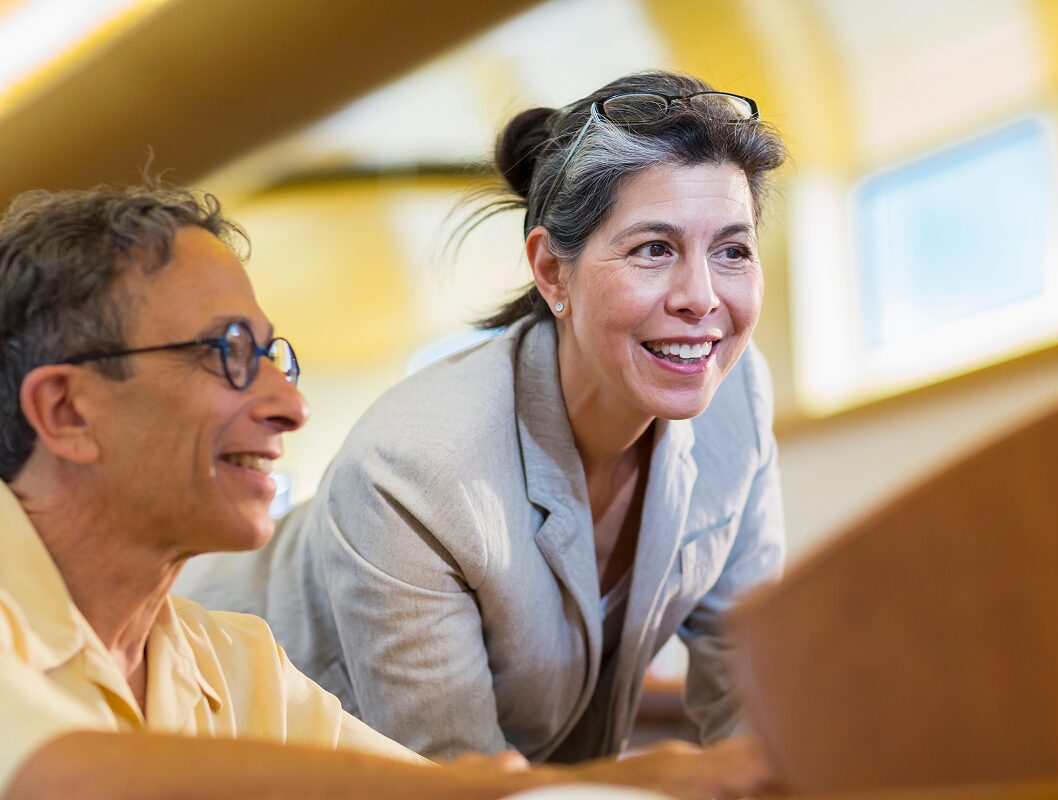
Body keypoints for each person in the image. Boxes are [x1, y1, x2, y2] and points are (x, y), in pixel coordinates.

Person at [0, 184, 775, 800]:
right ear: (67, 411)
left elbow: (423, 790)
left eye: (276, 356)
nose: (290, 406)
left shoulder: (232, 660)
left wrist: (624, 783)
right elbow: (54, 778)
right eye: (229, 352)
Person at [179, 70, 788, 762]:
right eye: (655, 249)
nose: (701, 297)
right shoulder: (415, 468)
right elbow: (455, 778)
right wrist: (661, 782)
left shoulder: (736, 400)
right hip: (215, 732)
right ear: (553, 273)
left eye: (732, 251)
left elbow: (752, 686)